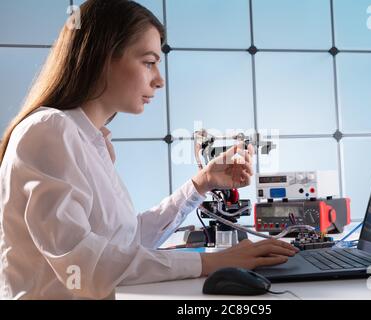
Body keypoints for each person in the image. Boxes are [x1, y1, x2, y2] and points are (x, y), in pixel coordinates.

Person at [0, 0, 297, 300]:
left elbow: (127, 245)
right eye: (148, 62)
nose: (159, 79)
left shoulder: (90, 140)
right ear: (103, 56)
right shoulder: (49, 130)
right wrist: (210, 263)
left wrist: (201, 183)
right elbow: (84, 264)